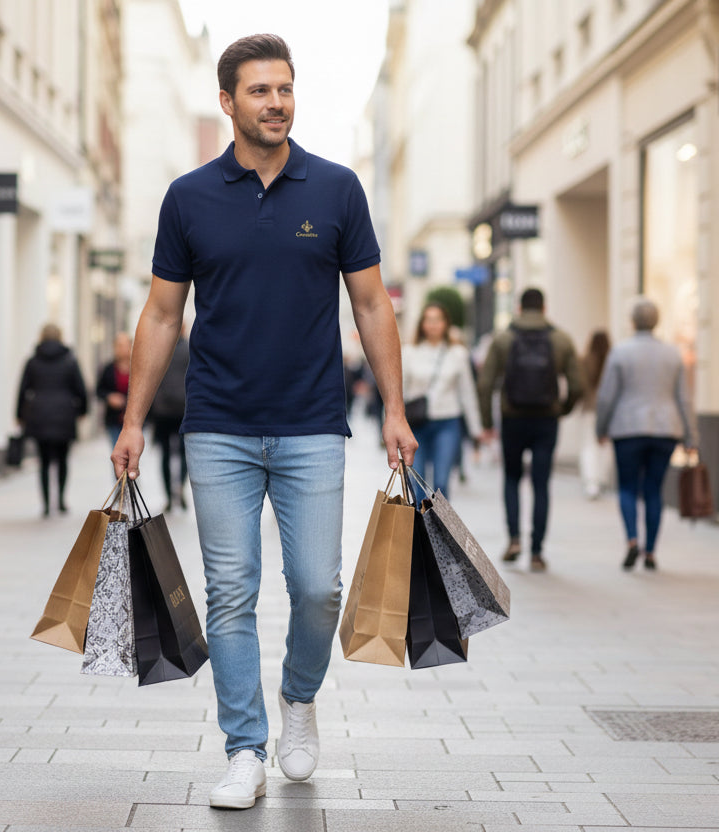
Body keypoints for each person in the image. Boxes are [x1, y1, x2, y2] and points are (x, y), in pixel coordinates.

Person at [108, 34, 415, 811]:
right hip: (218, 424)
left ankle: (299, 697)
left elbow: (372, 304)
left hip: (314, 421)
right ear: (227, 102)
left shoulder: (337, 189)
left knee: (317, 587)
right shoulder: (189, 197)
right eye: (259, 91)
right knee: (230, 592)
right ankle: (244, 748)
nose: (276, 102)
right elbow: (162, 314)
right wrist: (133, 420)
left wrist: (396, 411)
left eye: (284, 89)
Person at [477, 288, 583, 571]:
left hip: (513, 418)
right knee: (541, 483)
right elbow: (577, 385)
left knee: (511, 478)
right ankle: (536, 551)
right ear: (544, 307)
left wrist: (487, 422)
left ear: (519, 308)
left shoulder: (502, 339)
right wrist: (563, 409)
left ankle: (513, 539)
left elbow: (485, 384)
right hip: (546, 419)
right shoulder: (561, 339)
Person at [595, 297, 697, 571]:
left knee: (627, 487)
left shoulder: (620, 352)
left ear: (632, 321)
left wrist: (600, 427)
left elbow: (606, 396)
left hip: (627, 428)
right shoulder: (672, 353)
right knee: (654, 490)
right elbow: (684, 399)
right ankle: (650, 551)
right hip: (665, 430)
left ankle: (631, 540)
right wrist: (691, 437)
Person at [402, 303, 481, 499]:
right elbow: (399, 391)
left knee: (441, 484)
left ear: (446, 324)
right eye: (428, 320)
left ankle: (439, 529)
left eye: (438, 320)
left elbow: (467, 393)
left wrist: (476, 429)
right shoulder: (409, 352)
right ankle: (420, 529)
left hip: (447, 422)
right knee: (416, 483)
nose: (433, 325)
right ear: (421, 324)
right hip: (417, 424)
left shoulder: (458, 354)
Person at [17, 324, 87, 516]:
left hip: (39, 415)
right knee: (63, 460)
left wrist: (19, 415)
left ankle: (47, 504)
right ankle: (62, 500)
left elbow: (22, 390)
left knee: (44, 461)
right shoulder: (70, 360)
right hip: (64, 415)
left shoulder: (32, 361)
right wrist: (82, 411)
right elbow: (80, 389)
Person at [148, 329, 190, 511]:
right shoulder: (190, 349)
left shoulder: (159, 349)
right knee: (184, 454)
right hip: (184, 410)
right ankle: (179, 486)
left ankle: (168, 495)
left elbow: (151, 379)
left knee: (165, 454)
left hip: (162, 410)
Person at [578, 330, 612, 499]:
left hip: (590, 408)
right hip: (609, 410)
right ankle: (602, 479)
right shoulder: (612, 360)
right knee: (605, 446)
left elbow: (579, 385)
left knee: (588, 446)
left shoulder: (585, 361)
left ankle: (591, 481)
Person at [96, 332, 132, 450]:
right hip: (114, 419)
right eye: (118, 346)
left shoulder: (137, 368)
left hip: (133, 419)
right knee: (117, 453)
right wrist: (109, 397)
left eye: (124, 345)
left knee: (132, 456)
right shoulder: (108, 368)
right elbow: (99, 390)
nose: (121, 349)